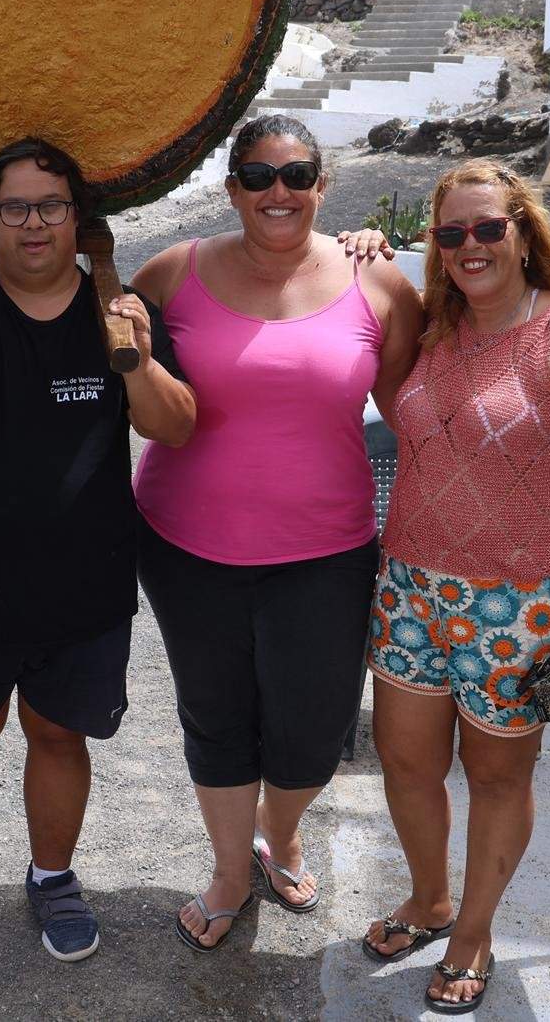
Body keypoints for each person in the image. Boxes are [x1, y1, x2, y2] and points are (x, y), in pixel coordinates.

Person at [0, 138, 195, 963]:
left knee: (59, 738)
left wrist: (136, 358)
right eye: (13, 207)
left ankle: (52, 877)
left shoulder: (121, 313)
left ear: (76, 219)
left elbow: (176, 424)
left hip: (84, 586)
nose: (31, 224)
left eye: (49, 207)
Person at [129, 115, 423, 952]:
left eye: (296, 176)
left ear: (322, 186)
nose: (278, 193)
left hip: (327, 550)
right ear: (231, 191)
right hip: (184, 542)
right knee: (216, 714)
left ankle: (280, 830)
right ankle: (229, 868)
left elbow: (414, 409)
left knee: (312, 726)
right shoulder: (173, 271)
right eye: (257, 177)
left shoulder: (378, 285)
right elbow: (98, 350)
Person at [364, 159, 550, 1014]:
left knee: (496, 778)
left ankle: (473, 930)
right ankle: (428, 900)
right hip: (410, 587)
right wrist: (367, 250)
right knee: (406, 763)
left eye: (487, 228)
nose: (469, 246)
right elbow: (370, 348)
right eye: (450, 234)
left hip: (519, 602)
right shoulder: (433, 327)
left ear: (522, 231)